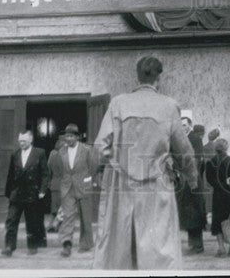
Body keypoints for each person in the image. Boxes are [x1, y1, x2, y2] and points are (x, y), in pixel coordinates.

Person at [93, 55, 197, 270]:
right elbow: (184, 151)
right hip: (156, 186)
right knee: (159, 245)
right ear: (158, 78)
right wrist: (192, 177)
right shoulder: (168, 106)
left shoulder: (118, 104)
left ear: (137, 77)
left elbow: (100, 147)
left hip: (122, 186)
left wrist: (113, 165)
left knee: (121, 243)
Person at [51, 123, 99, 257]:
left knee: (86, 216)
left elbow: (94, 166)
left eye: (71, 136)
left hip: (84, 186)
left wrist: (89, 178)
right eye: (67, 136)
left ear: (77, 137)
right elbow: (58, 168)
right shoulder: (61, 151)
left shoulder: (87, 150)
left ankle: (86, 243)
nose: (69, 139)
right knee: (68, 216)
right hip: (67, 188)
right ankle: (67, 244)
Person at [2, 129, 49, 256]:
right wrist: (8, 193)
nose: (21, 143)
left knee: (32, 221)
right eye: (20, 141)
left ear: (31, 140)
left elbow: (45, 174)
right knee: (11, 220)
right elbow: (10, 175)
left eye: (24, 141)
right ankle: (9, 247)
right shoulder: (15, 155)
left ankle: (32, 246)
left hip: (32, 193)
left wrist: (42, 190)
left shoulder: (40, 153)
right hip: (16, 193)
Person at [204, 138, 230, 257]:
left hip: (218, 196)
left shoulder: (210, 162)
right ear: (226, 148)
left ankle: (221, 247)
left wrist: (220, 183)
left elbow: (210, 180)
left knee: (218, 222)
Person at [176, 115, 208, 254]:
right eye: (180, 125)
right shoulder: (180, 139)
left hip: (193, 180)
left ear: (189, 125)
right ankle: (192, 243)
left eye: (184, 125)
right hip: (183, 180)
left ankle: (198, 244)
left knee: (195, 212)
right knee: (188, 213)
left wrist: (191, 175)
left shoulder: (195, 138)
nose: (182, 128)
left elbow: (197, 159)